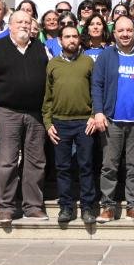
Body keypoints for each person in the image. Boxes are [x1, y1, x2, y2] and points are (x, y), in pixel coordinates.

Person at [0, 10, 50, 223]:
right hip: (6, 112)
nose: (23, 25)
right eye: (19, 22)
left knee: (36, 162)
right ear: (9, 25)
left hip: (36, 114)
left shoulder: (42, 49)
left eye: (27, 22)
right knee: (7, 162)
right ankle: (6, 207)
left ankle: (33, 206)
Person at [92, 15, 134, 223]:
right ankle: (108, 207)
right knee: (109, 165)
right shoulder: (106, 56)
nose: (125, 34)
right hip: (111, 120)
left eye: (129, 30)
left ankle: (133, 206)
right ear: (114, 33)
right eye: (121, 31)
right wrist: (98, 112)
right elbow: (97, 85)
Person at [43, 24, 97, 225]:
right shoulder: (53, 64)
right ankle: (66, 206)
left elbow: (96, 92)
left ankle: (88, 207)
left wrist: (93, 115)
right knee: (63, 167)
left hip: (84, 122)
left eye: (75, 36)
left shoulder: (88, 62)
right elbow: (47, 97)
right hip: (60, 123)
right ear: (60, 40)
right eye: (67, 37)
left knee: (86, 166)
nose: (72, 40)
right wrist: (48, 123)